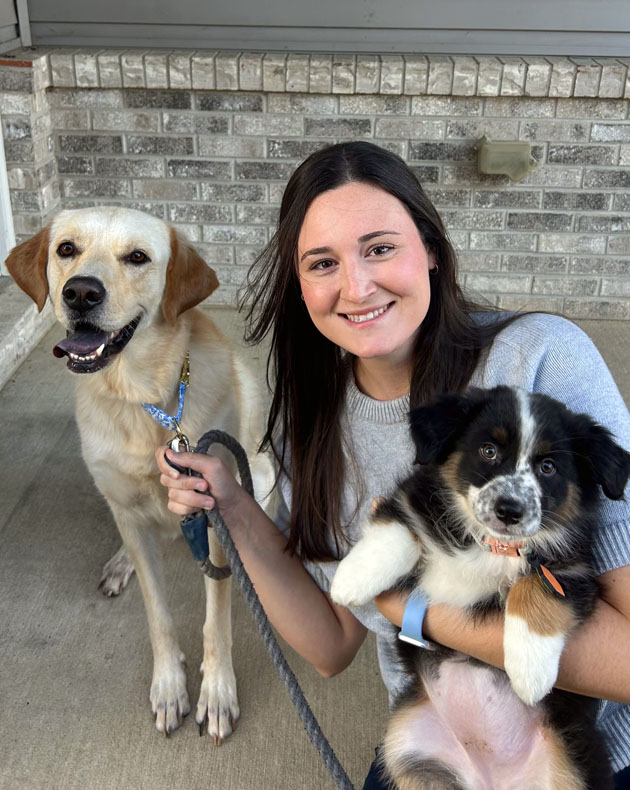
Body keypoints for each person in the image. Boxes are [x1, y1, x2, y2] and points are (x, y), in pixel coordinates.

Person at [156, 141, 630, 788]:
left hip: (567, 748)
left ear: (430, 249)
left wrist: (411, 609)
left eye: (380, 248)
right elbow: (330, 644)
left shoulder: (537, 362)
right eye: (323, 262)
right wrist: (233, 506)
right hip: (441, 737)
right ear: (300, 285)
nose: (357, 286)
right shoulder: (314, 421)